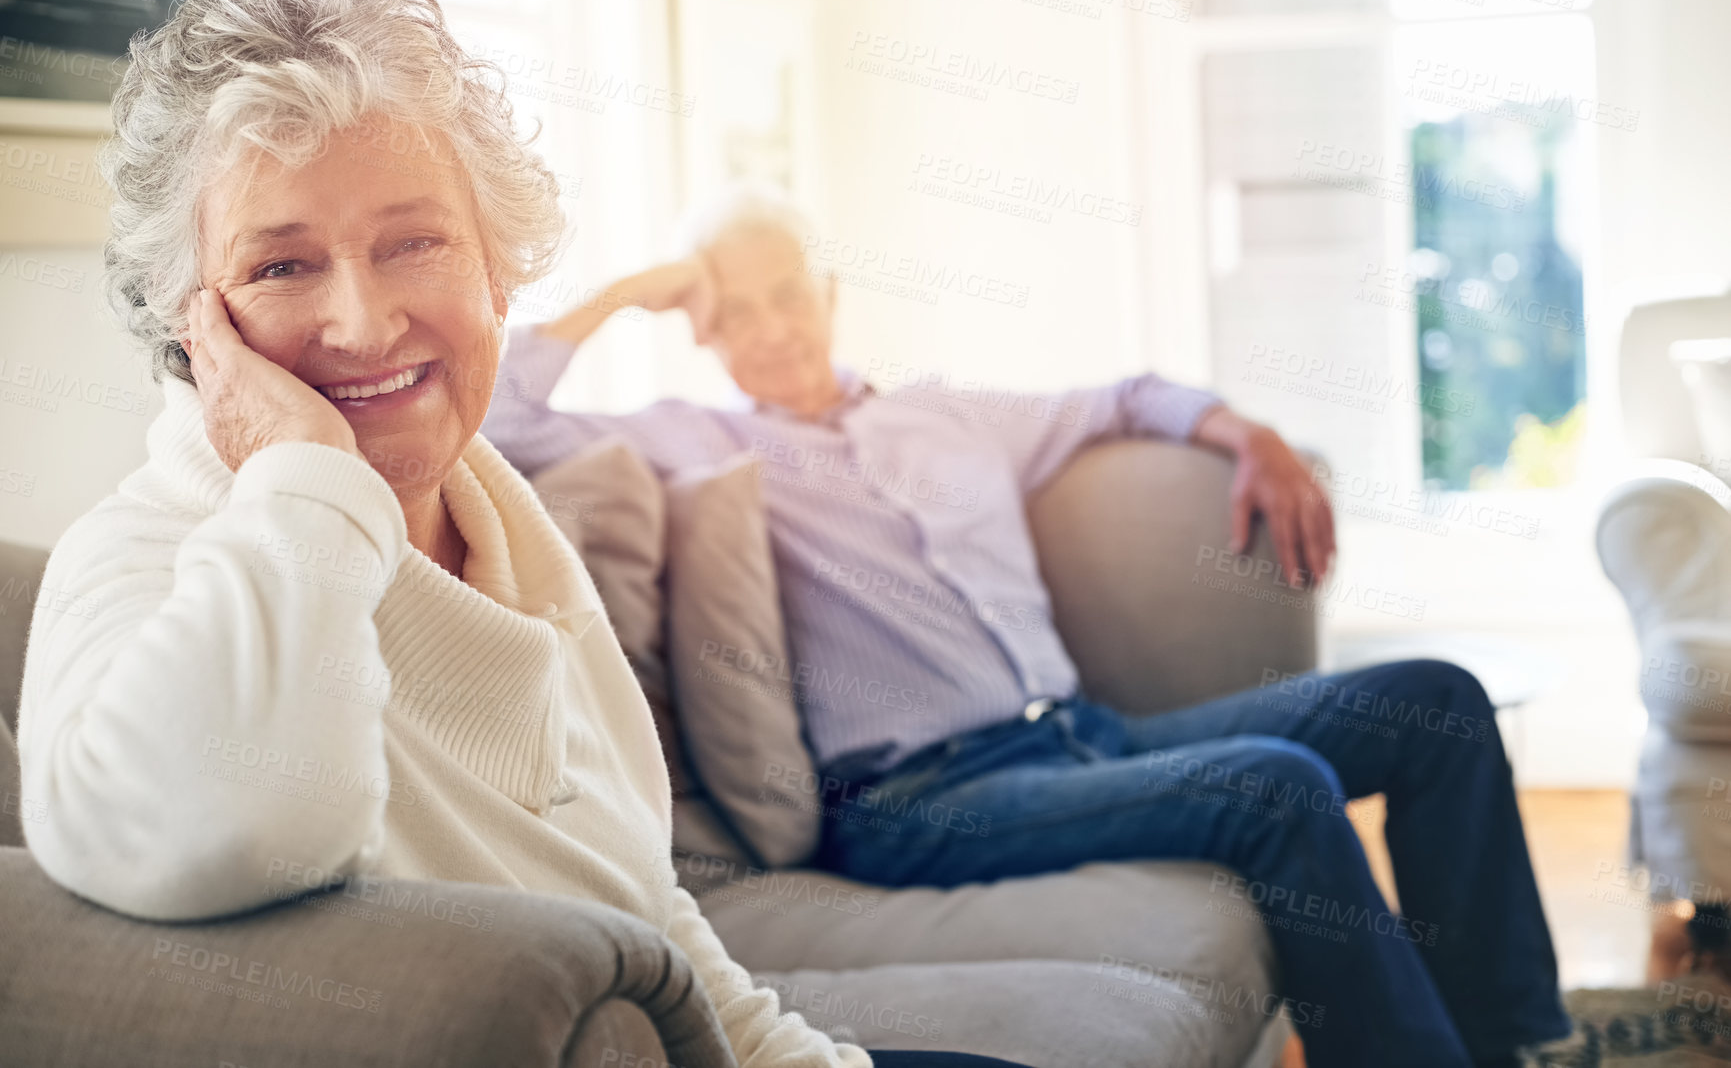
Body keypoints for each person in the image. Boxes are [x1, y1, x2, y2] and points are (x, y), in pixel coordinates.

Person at [13, 0, 1031, 1068]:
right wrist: (306, 484)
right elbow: (234, 829)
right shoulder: (134, 565)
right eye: (281, 264)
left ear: (499, 271)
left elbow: (641, 897)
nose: (362, 322)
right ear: (192, 323)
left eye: (416, 242)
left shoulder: (499, 525)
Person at [482, 187, 1575, 1068]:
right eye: (737, 311)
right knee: (1276, 785)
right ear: (704, 334)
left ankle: (1517, 1042)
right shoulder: (692, 438)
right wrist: (627, 295)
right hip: (918, 798)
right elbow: (501, 416)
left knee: (1436, 702)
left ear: (828, 290)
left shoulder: (951, 414)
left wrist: (1251, 434)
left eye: (788, 294)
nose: (772, 329)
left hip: (1081, 739)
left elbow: (1132, 396)